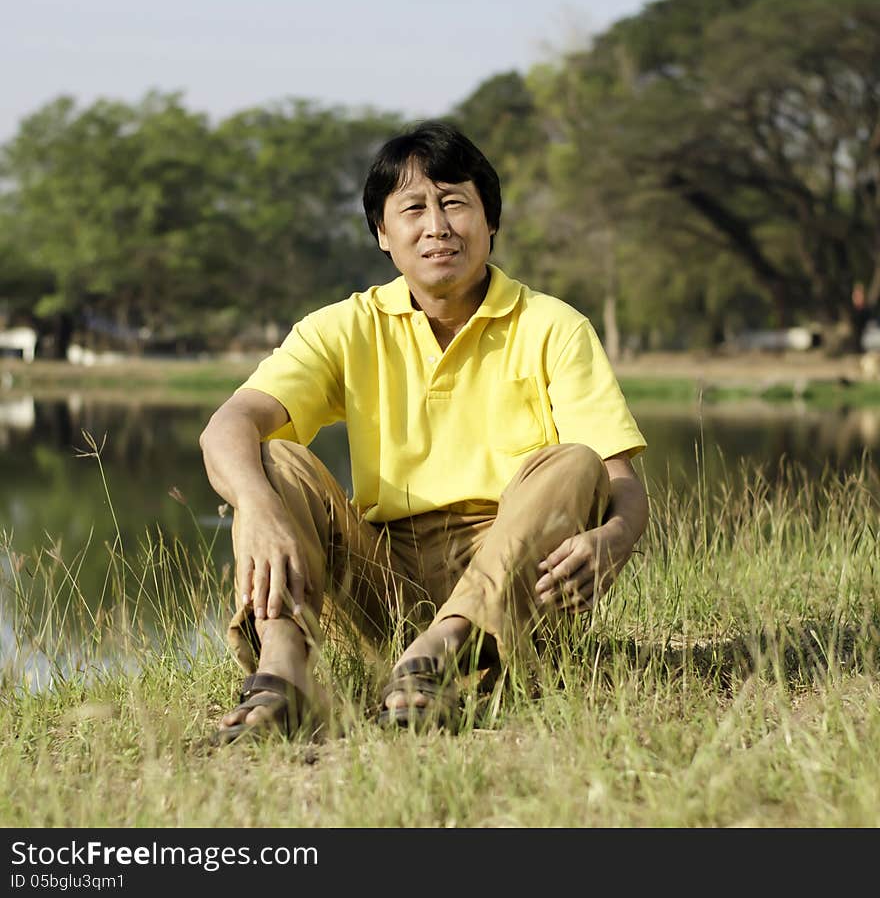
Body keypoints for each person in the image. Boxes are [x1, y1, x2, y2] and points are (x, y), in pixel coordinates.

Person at [199, 120, 648, 742]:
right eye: (413, 208)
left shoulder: (554, 326)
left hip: (513, 579)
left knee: (575, 461)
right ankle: (285, 672)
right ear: (384, 234)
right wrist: (255, 505)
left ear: (490, 223)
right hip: (381, 579)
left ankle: (440, 654)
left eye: (455, 203)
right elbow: (226, 425)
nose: (436, 225)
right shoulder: (346, 326)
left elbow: (621, 480)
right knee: (273, 458)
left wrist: (616, 538)